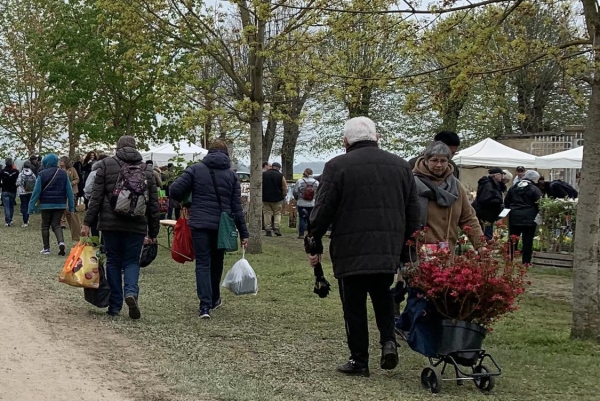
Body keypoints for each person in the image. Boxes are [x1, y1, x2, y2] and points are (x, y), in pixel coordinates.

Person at [308, 117, 420, 377]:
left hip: (351, 248)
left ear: (345, 141)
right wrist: (406, 249)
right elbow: (413, 212)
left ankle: (359, 360)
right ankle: (388, 341)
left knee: (354, 307)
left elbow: (323, 210)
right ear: (376, 137)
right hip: (387, 248)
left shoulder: (337, 167)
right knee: (383, 298)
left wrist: (314, 239)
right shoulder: (402, 166)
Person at [81, 136, 160, 319]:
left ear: (118, 148)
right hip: (137, 225)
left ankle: (115, 306)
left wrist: (87, 222)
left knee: (114, 261)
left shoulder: (106, 165)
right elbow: (154, 205)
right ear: (135, 148)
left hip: (110, 224)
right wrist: (153, 232)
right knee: (132, 261)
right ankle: (131, 292)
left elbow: (96, 198)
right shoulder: (147, 170)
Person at [169, 140, 249, 319]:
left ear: (209, 152)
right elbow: (237, 208)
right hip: (222, 225)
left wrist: (186, 201)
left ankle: (204, 306)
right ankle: (215, 299)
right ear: (226, 154)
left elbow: (174, 189)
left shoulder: (195, 169)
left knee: (203, 264)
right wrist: (244, 233)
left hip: (199, 223)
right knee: (217, 262)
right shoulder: (232, 175)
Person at [412, 142, 485, 250]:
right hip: (418, 250)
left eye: (443, 161)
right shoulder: (412, 183)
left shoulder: (456, 186)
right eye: (434, 160)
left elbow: (468, 218)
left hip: (447, 250)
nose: (439, 165)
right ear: (426, 161)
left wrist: (480, 246)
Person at [28, 154, 75, 255]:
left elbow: (36, 192)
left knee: (45, 225)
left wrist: (31, 207)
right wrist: (71, 206)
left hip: (46, 204)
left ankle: (46, 249)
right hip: (60, 204)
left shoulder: (42, 174)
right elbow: (69, 192)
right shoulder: (63, 174)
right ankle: (61, 242)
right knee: (56, 225)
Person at [504, 170, 543, 266]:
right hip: (529, 218)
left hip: (514, 217)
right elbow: (540, 203)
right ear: (534, 179)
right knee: (528, 240)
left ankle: (509, 258)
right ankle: (526, 261)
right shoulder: (534, 189)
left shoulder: (514, 187)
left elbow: (506, 201)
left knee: (513, 239)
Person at [472, 167, 506, 240]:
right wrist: (498, 201)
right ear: (496, 175)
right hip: (486, 213)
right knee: (486, 233)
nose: (502, 177)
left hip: (489, 213)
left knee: (487, 232)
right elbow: (485, 199)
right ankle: (485, 247)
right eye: (501, 175)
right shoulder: (488, 185)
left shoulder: (493, 184)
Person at [58, 156, 81, 241]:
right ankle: (62, 222)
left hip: (72, 191)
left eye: (62, 161)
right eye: (60, 161)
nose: (60, 162)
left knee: (70, 208)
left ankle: (74, 226)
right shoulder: (59, 170)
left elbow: (77, 179)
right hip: (62, 191)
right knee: (63, 208)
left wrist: (71, 183)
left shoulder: (72, 170)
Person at [293, 168, 319, 239]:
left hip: (301, 202)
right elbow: (318, 193)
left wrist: (297, 198)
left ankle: (301, 234)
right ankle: (311, 233)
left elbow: (295, 192)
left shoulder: (300, 181)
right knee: (311, 219)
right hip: (312, 203)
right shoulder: (316, 182)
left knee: (302, 218)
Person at [262, 162, 287, 237]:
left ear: (272, 167)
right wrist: (283, 196)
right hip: (277, 198)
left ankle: (268, 229)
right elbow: (284, 187)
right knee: (277, 213)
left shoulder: (264, 174)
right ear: (279, 168)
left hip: (265, 197)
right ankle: (276, 228)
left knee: (267, 213)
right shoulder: (280, 176)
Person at [1, 158, 19, 226]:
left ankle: (7, 221)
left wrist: (2, 185)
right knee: (11, 206)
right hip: (13, 190)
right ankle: (10, 220)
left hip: (5, 190)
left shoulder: (2, 171)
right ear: (12, 163)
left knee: (6, 206)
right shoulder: (16, 172)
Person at [17, 161, 36, 227]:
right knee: (28, 206)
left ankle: (25, 222)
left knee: (24, 206)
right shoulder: (32, 174)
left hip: (23, 192)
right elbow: (35, 182)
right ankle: (27, 219)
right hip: (30, 192)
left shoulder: (21, 174)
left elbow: (18, 183)